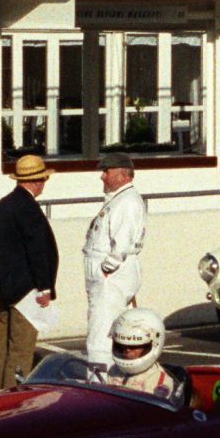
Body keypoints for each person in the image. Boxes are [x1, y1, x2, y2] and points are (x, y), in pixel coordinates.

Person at [0, 154, 59, 392]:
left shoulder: (5, 204)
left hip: (4, 286)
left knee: (1, 347)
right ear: (37, 181)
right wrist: (45, 287)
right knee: (21, 349)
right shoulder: (28, 208)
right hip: (26, 289)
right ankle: (13, 397)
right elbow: (37, 250)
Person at [81, 151, 148, 363]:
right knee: (114, 329)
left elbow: (121, 244)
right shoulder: (119, 200)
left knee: (100, 335)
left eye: (106, 171)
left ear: (122, 174)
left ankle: (98, 380)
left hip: (112, 277)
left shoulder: (126, 202)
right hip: (110, 275)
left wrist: (106, 269)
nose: (102, 176)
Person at [104, 307, 180, 401]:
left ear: (152, 345)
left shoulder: (160, 381)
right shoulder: (114, 370)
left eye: (134, 346)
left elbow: (149, 412)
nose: (127, 350)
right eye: (121, 345)